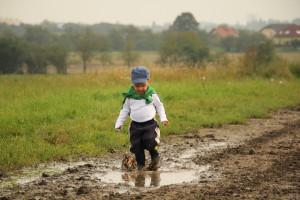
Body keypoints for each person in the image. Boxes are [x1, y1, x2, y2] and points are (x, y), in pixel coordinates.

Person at [115, 66, 168, 171]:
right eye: (137, 86)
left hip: (150, 125)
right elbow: (124, 110)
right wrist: (119, 123)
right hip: (135, 126)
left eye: (143, 85)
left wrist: (163, 118)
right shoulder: (130, 97)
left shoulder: (152, 95)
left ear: (148, 81)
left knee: (150, 141)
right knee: (136, 146)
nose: (140, 88)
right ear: (132, 83)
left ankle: (155, 156)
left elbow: (160, 106)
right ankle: (141, 165)